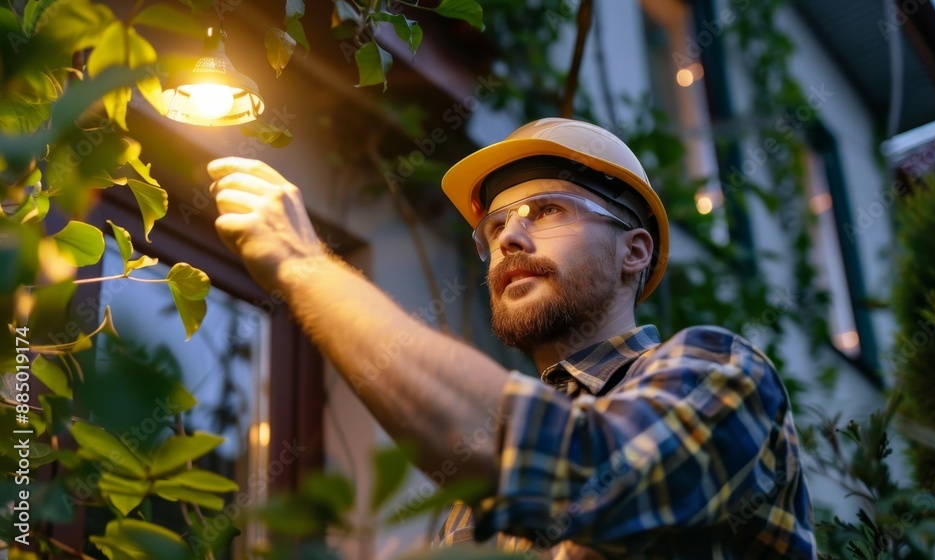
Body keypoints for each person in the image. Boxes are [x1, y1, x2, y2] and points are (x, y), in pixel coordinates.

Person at [208, 118, 815, 558]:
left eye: (547, 211)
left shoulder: (720, 373)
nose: (509, 240)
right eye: (495, 225)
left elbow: (583, 466)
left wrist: (304, 265)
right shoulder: (471, 507)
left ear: (634, 251)